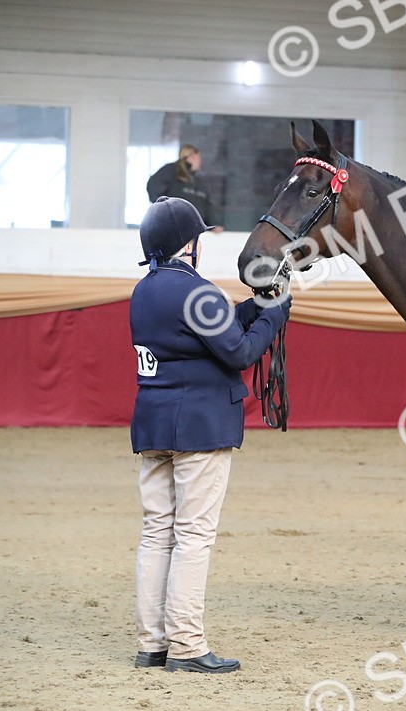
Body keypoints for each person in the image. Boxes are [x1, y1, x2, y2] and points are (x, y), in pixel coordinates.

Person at [130, 196, 289, 673]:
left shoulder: (146, 290)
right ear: (187, 243)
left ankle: (152, 643)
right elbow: (238, 354)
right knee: (194, 536)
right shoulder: (195, 291)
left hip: (154, 422)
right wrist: (275, 314)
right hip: (199, 425)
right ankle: (188, 646)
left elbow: (206, 334)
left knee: (157, 535)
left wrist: (253, 307)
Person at [146, 144, 224, 232]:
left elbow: (207, 205)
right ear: (191, 157)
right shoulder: (171, 171)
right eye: (198, 158)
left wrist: (214, 225)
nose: (200, 162)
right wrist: (165, 212)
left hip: (194, 231)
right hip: (174, 229)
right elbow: (154, 187)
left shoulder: (198, 183)